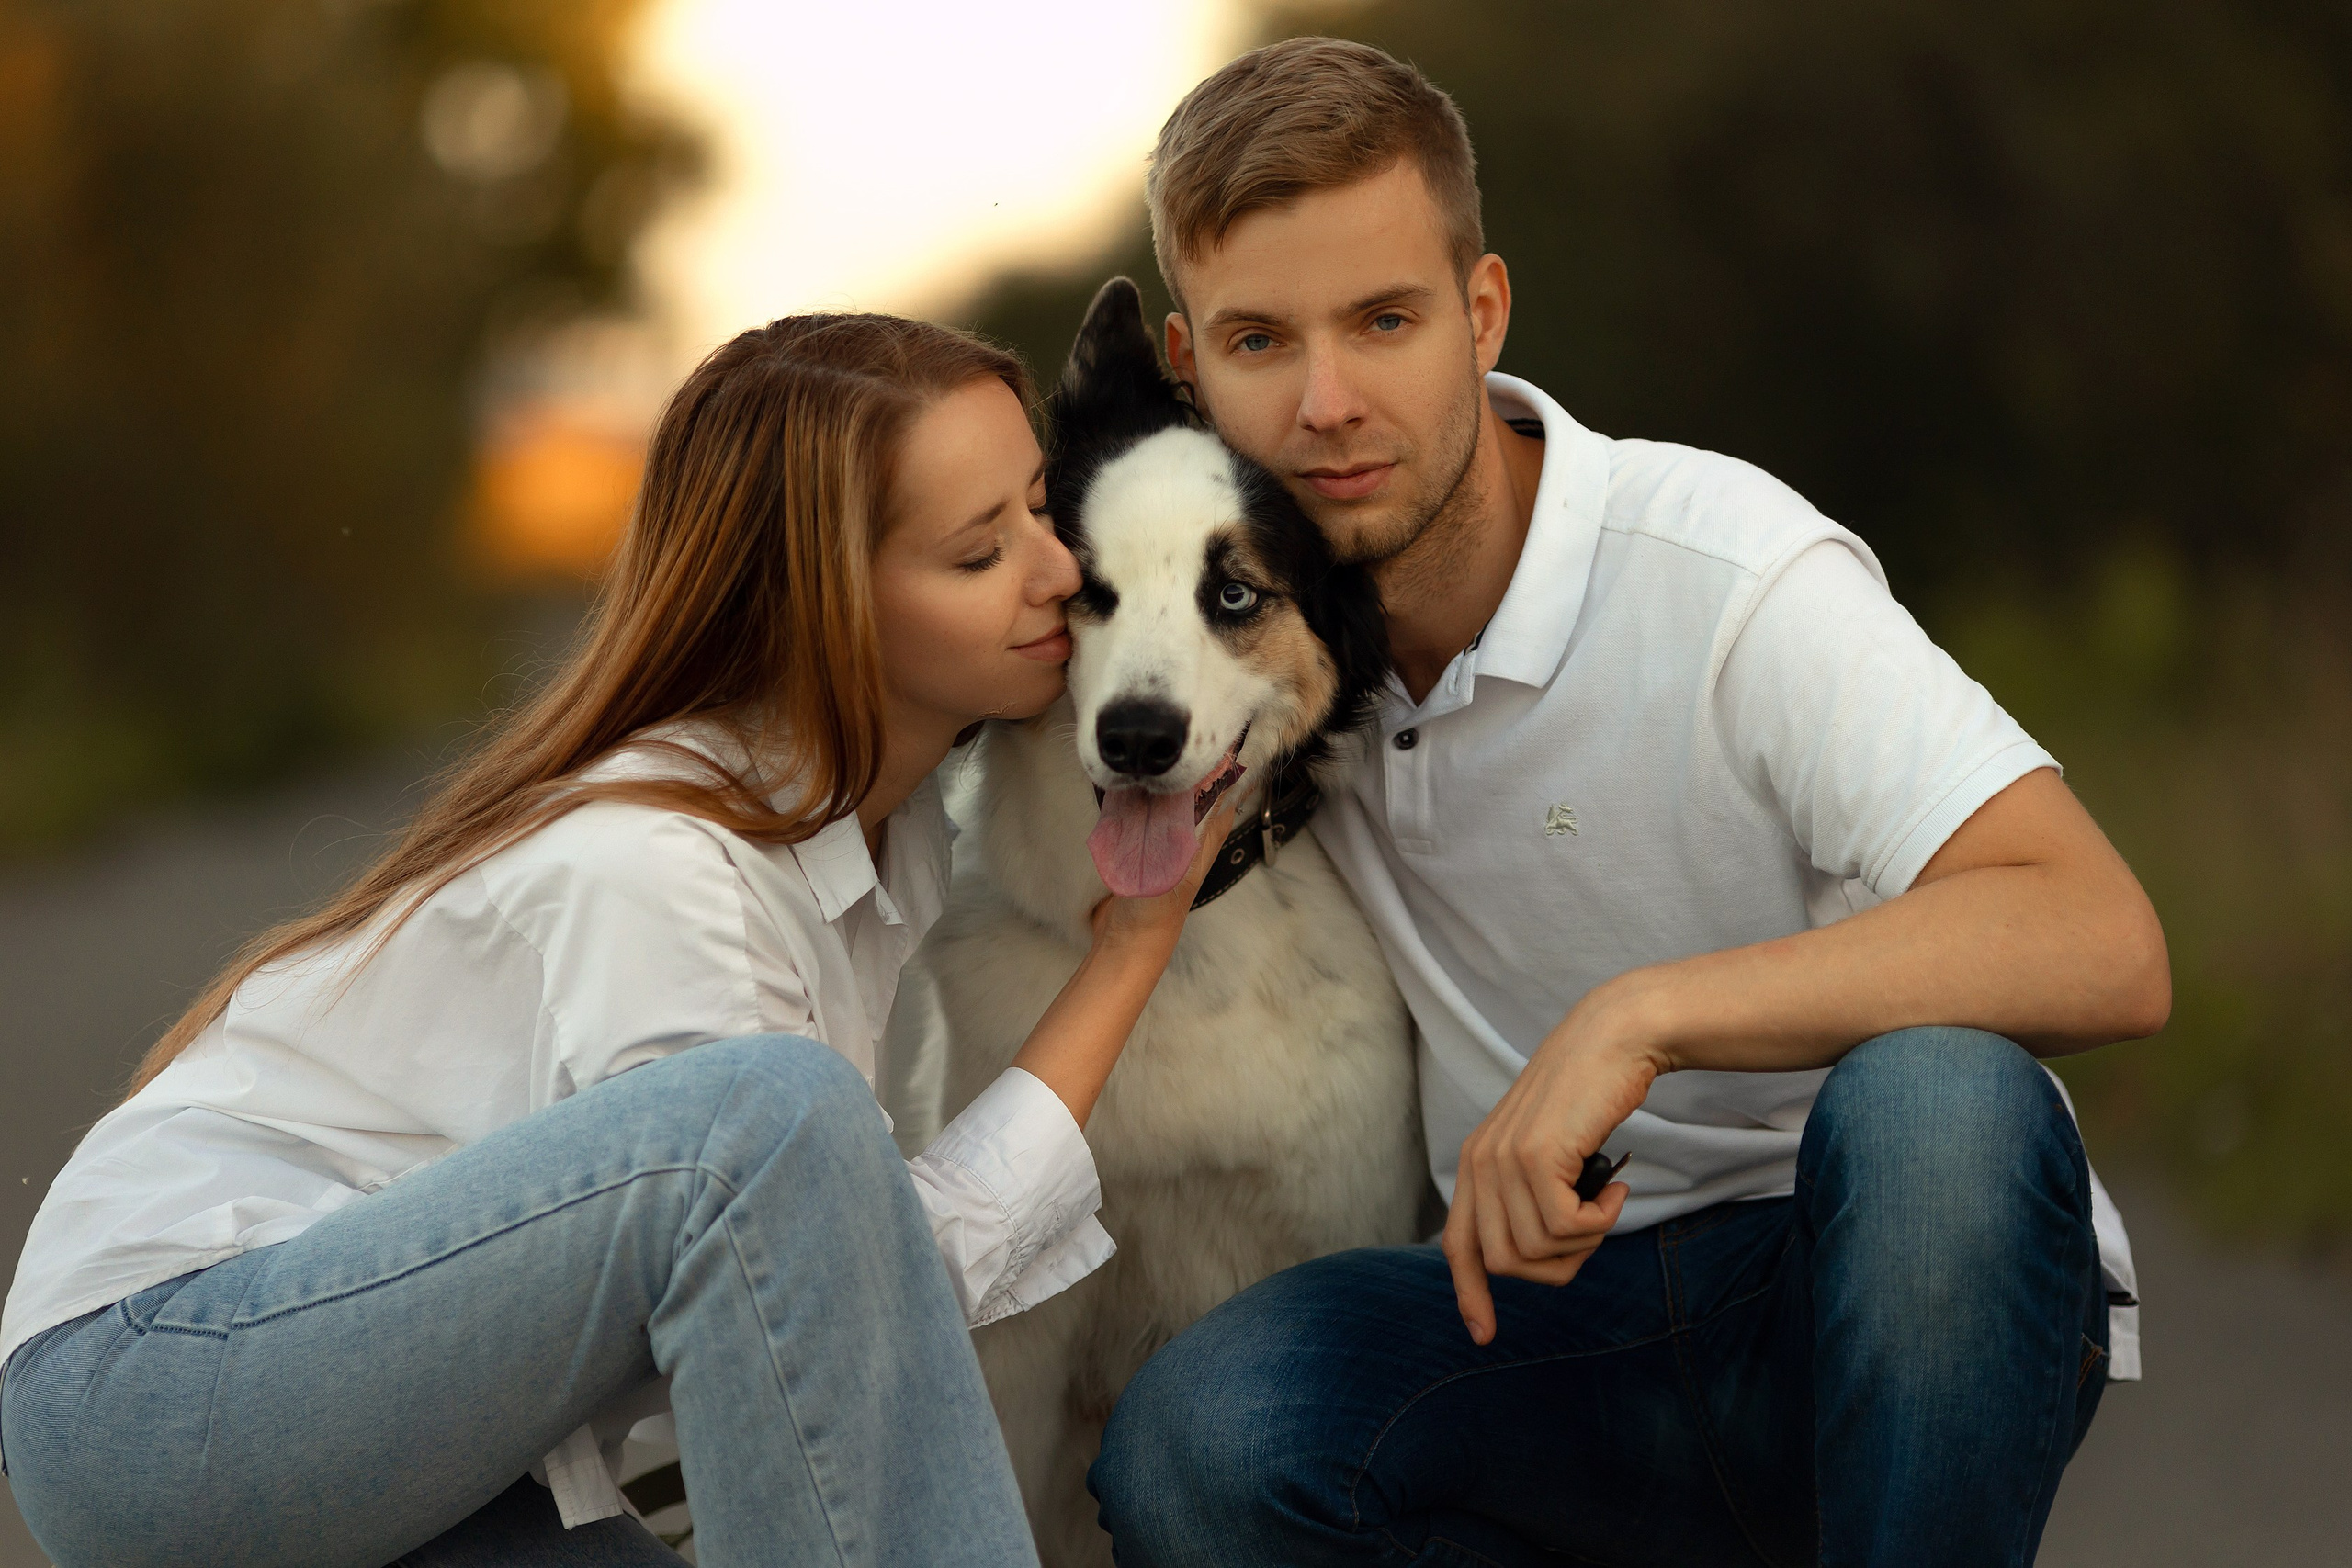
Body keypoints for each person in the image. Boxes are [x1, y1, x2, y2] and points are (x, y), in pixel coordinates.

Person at [1090, 38, 2169, 1568]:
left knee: (1944, 1105)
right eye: (1262, 340)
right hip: (1537, 1325)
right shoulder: (1226, 646)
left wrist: (1642, 1018)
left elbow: (2102, 936)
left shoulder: (1723, 567)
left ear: (1481, 313)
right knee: (1201, 1440)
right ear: (1189, 367)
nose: (1327, 403)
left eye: (1386, 321)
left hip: (1853, 1280)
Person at [0, 315, 1236, 1567]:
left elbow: (838, 1301)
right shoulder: (661, 861)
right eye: (980, 552)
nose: (1059, 570)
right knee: (774, 1119)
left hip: (426, 1424)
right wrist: (1127, 959)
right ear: (822, 603)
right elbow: (828, 1279)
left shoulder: (883, 834)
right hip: (163, 1374)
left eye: (1042, 508)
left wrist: (1136, 925)